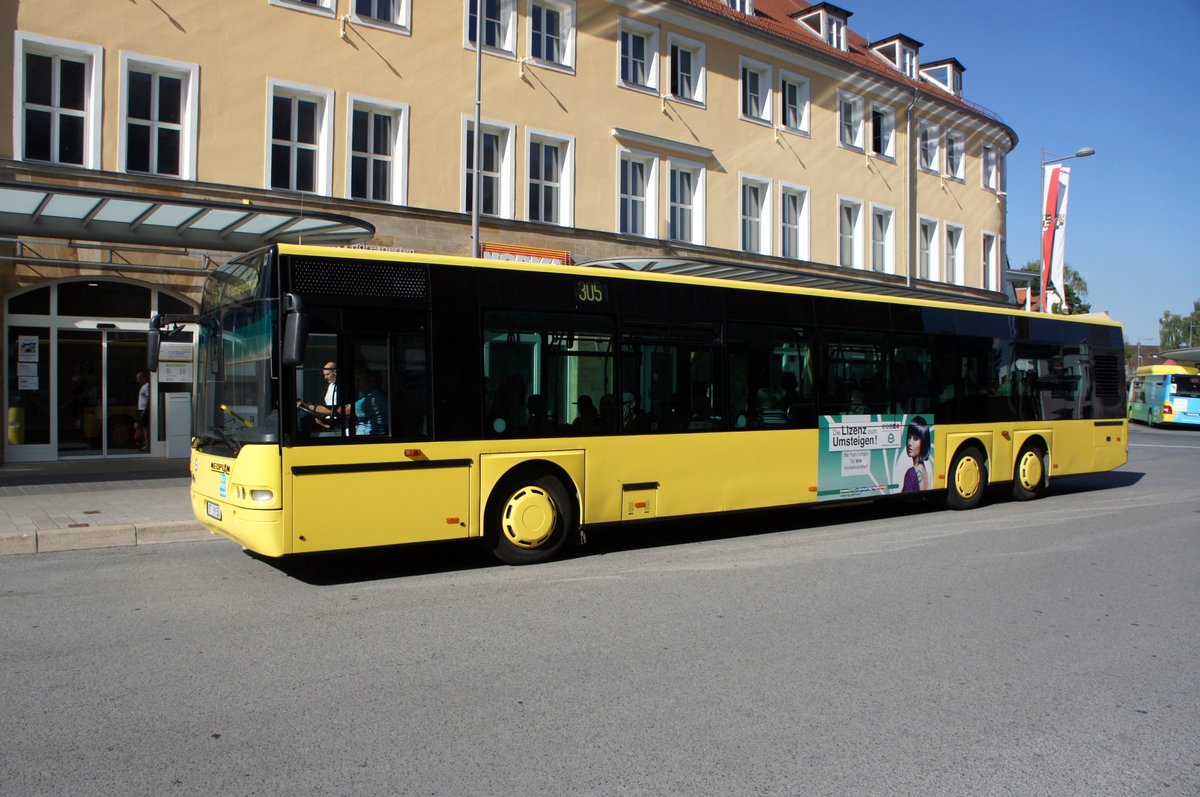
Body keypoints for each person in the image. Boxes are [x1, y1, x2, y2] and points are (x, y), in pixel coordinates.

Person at [345, 370, 386, 436]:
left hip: (367, 439)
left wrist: (322, 409)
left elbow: (344, 411)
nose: (357, 384)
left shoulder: (373, 399)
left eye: (359, 380)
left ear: (371, 381)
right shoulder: (380, 395)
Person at [297, 361, 338, 427]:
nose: (325, 377)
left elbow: (337, 411)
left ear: (335, 372)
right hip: (329, 420)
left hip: (337, 423)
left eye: (327, 374)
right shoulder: (331, 386)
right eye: (324, 375)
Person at [899, 415, 932, 493]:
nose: (910, 443)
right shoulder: (925, 470)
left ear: (923, 442)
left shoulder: (911, 473)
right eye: (909, 437)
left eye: (915, 439)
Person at [135, 371, 150, 451]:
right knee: (140, 426)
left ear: (143, 378)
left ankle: (147, 444)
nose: (138, 381)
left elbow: (148, 397)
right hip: (141, 409)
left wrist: (145, 409)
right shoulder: (143, 386)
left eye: (139, 379)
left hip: (144, 410)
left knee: (145, 428)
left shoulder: (147, 386)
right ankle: (145, 442)